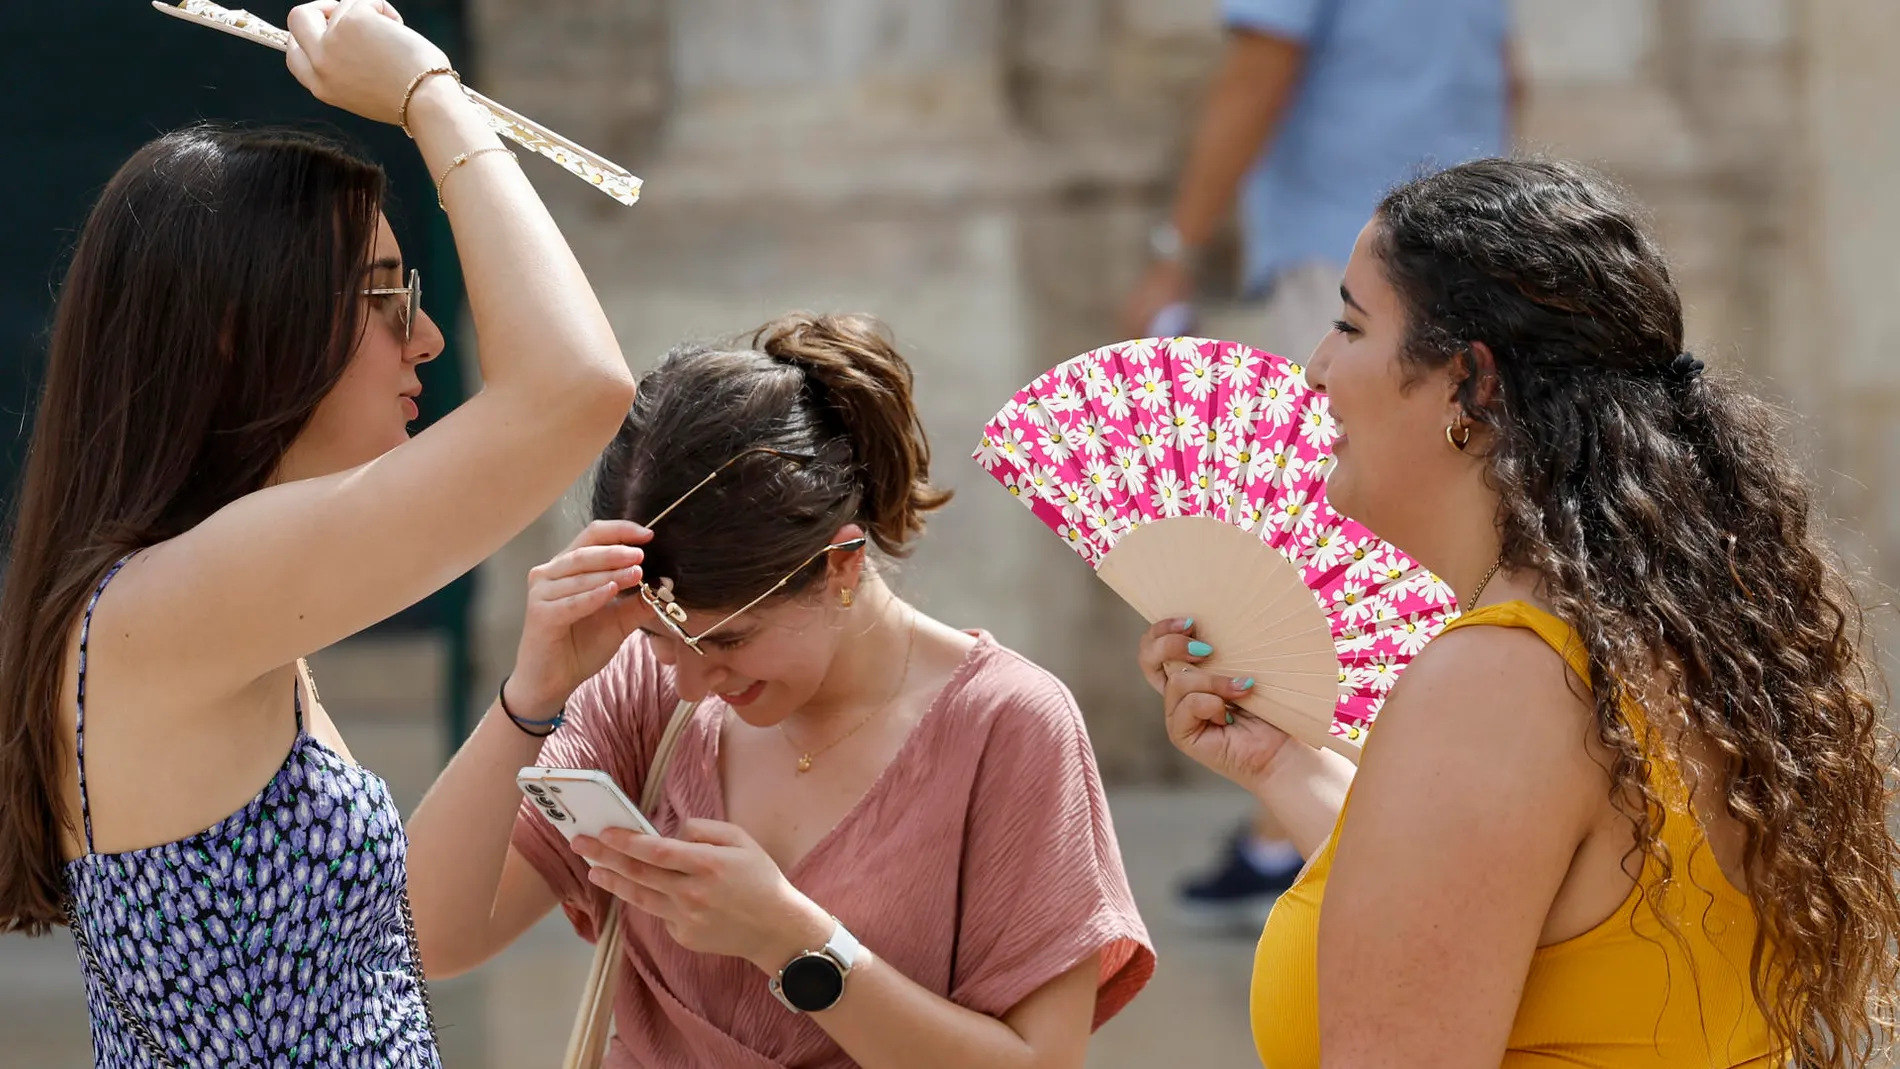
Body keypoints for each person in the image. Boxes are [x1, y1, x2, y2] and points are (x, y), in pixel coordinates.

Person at [1141, 158, 1900, 1066]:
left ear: (1471, 383)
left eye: (1349, 324)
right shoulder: (1670, 637)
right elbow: (1514, 902)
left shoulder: (1498, 679)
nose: (1314, 367)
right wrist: (1285, 766)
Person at [0, 3, 635, 1066]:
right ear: (239, 328)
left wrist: (529, 698)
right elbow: (575, 385)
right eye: (388, 294)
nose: (425, 338)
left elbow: (403, 938)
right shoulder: (190, 592)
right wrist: (430, 94)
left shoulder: (196, 593)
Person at [405, 313, 1155, 1068]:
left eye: (728, 640)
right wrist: (531, 692)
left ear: (841, 565)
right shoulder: (642, 691)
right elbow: (425, 938)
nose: (696, 683)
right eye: (666, 641)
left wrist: (792, 940)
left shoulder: (1008, 724)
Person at [1120, 0, 1522, 928]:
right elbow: (1506, 76)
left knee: (1339, 534)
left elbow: (1259, 69)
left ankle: (1299, 828)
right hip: (1471, 247)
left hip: (1358, 245)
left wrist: (1176, 250)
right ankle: (1307, 816)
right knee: (1430, 531)